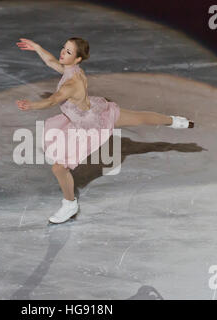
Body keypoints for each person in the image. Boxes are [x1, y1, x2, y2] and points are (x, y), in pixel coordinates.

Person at [16, 37, 194, 224]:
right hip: (93, 112)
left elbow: (52, 100)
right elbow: (51, 61)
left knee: (59, 168)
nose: (62, 52)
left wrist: (31, 105)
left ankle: (69, 204)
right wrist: (37, 47)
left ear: (77, 59)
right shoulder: (72, 70)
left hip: (87, 127)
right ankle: (176, 121)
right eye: (63, 48)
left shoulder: (71, 83)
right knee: (139, 117)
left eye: (68, 52)